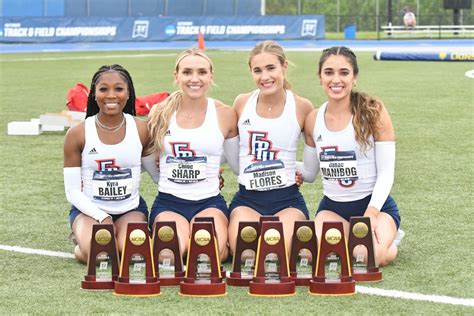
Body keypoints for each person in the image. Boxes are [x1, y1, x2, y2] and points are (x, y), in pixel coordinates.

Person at [299, 46, 401, 266]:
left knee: (366, 257)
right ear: (320, 78)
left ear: (354, 77)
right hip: (333, 210)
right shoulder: (313, 119)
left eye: (344, 72)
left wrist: (371, 214)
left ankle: (390, 242)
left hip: (375, 208)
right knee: (309, 255)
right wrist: (275, 166)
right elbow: (309, 172)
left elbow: (386, 173)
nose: (336, 80)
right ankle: (356, 241)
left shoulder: (374, 111)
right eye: (329, 72)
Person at [147, 48, 238, 262]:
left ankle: (221, 240)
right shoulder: (160, 112)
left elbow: (237, 162)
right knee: (167, 256)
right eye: (187, 72)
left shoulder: (225, 114)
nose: (194, 79)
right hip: (169, 203)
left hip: (209, 203)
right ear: (176, 76)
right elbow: (147, 156)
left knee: (210, 255)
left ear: (211, 77)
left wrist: (294, 170)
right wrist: (163, 178)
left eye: (202, 72)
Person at [63, 64, 158, 263]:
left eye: (119, 89)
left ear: (128, 93)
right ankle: (82, 247)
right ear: (94, 94)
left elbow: (158, 176)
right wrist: (102, 217)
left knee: (135, 255)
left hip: (130, 210)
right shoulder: (77, 134)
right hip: (89, 211)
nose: (111, 95)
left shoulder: (142, 129)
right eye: (104, 89)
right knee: (101, 256)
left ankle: (97, 240)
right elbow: (72, 192)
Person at [227, 40, 314, 256]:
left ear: (284, 66)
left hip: (287, 202)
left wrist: (288, 167)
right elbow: (236, 155)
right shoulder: (241, 103)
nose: (265, 77)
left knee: (276, 252)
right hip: (247, 201)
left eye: (271, 68)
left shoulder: (302, 107)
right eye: (258, 70)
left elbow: (311, 173)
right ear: (251, 72)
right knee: (246, 253)